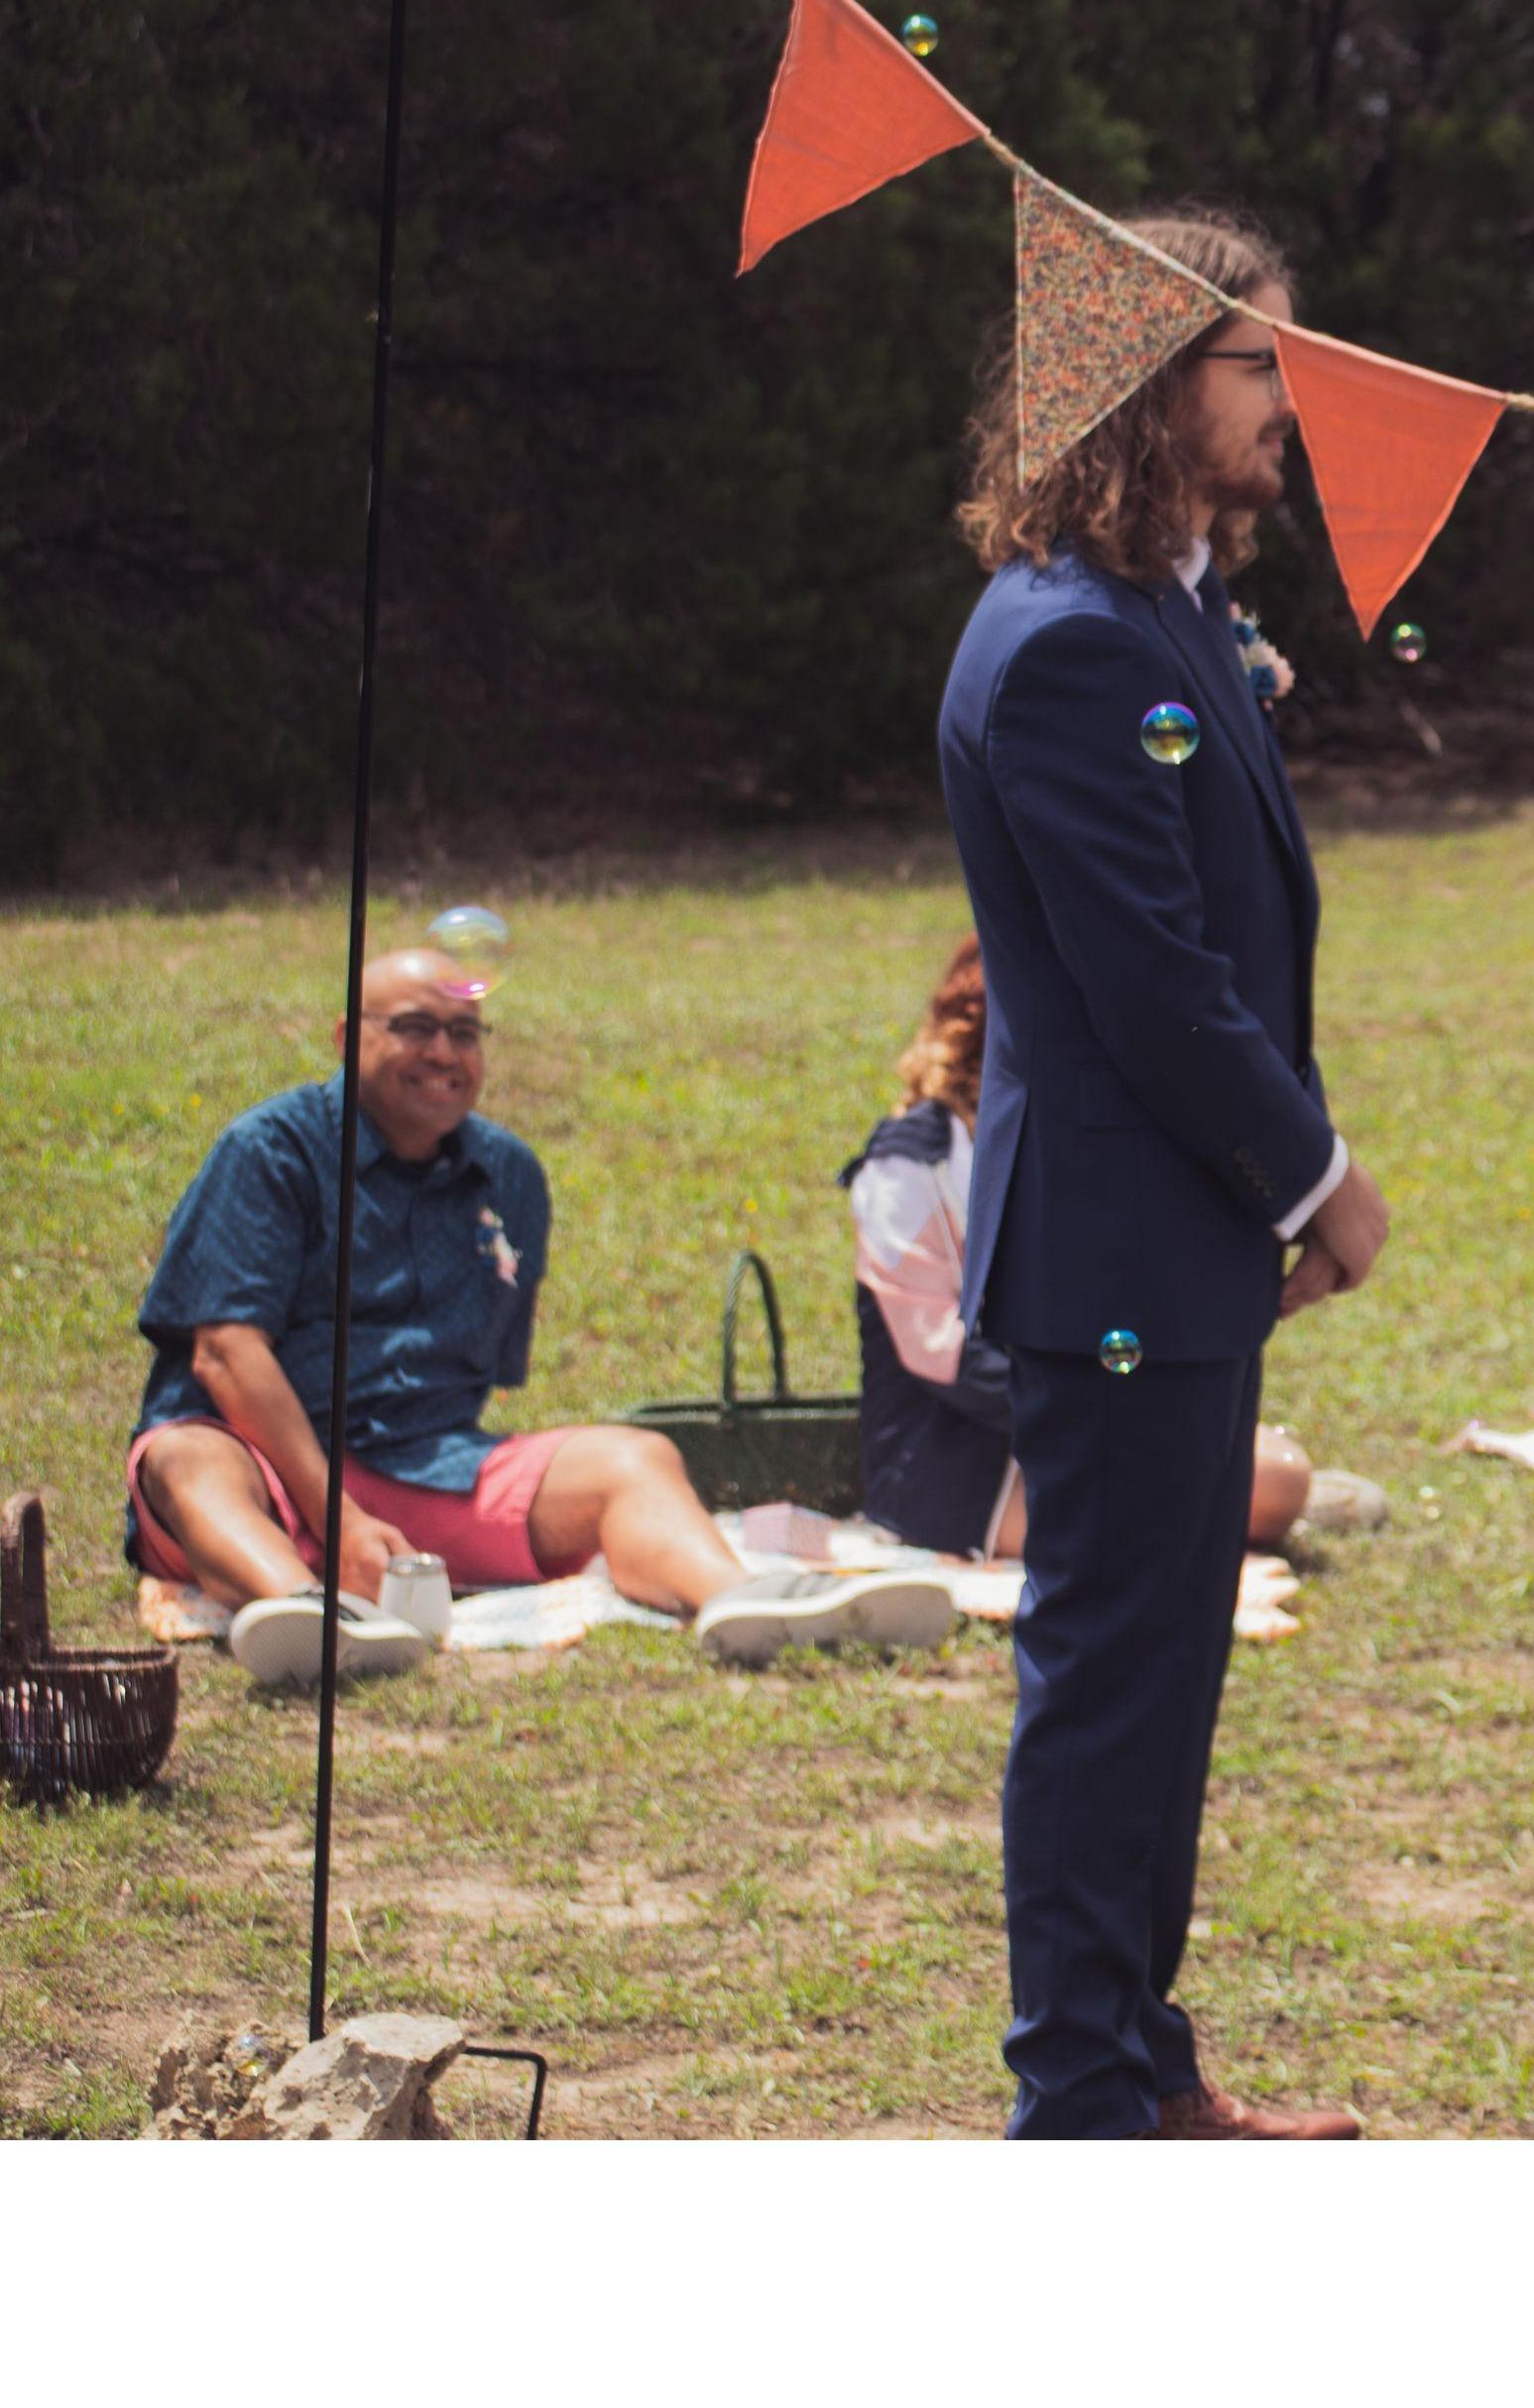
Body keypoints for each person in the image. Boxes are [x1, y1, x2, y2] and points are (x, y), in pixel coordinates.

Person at [939, 200, 1385, 2143]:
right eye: (1261, 361)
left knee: (1166, 1670)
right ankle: (1080, 2108)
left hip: (1173, 1237)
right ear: (1145, 379)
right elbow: (1153, 984)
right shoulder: (1063, 647)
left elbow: (1226, 936)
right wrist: (1317, 1178)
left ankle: (1144, 2068)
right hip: (1114, 1243)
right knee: (1113, 1678)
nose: (1296, 400)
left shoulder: (1171, 616)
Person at [125, 946, 954, 1684]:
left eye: (466, 1032)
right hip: (262, 1464)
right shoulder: (272, 1151)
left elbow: (479, 1377)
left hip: (422, 1464)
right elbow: (225, 1355)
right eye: (415, 1027)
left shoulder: (509, 1175)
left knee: (633, 1459)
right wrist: (338, 1520)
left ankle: (750, 1602)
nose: (444, 1052)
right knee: (187, 1457)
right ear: (347, 1039)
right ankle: (316, 1619)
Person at [844, 934, 1353, 1639]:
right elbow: (943, 1358)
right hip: (961, 1458)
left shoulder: (1067, 1144)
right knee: (1197, 1501)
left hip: (1084, 1416)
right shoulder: (908, 1166)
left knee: (1280, 1476)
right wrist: (1097, 1414)